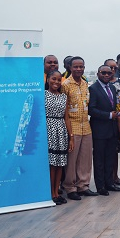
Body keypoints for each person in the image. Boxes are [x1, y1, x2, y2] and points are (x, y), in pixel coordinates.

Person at [61, 56, 97, 200]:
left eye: (81, 67)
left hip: (86, 126)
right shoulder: (66, 85)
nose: (78, 69)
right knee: (72, 159)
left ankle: (83, 185)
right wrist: (69, 133)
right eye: (76, 66)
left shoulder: (84, 84)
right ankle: (70, 187)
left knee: (85, 158)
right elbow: (64, 111)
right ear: (70, 67)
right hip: (73, 126)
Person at [89, 65, 120, 196]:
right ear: (98, 74)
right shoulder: (93, 89)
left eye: (109, 73)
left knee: (110, 158)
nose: (106, 75)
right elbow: (91, 110)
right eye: (103, 73)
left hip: (111, 130)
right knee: (99, 160)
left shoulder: (112, 87)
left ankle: (110, 183)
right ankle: (100, 186)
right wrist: (109, 115)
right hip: (99, 130)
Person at [45, 70, 72, 204]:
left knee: (60, 164)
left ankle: (56, 192)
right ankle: (50, 193)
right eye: (53, 79)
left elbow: (66, 118)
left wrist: (71, 136)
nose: (56, 82)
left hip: (61, 130)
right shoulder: (43, 95)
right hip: (48, 129)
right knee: (51, 164)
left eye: (58, 79)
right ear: (48, 79)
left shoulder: (63, 97)